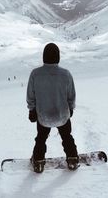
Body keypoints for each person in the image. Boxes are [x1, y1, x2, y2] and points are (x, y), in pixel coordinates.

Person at [26, 43, 79, 173]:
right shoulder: (66, 74)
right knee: (67, 137)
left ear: (44, 56)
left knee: (41, 138)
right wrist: (71, 108)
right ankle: (72, 159)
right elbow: (71, 95)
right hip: (62, 115)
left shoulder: (35, 74)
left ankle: (38, 162)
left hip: (43, 116)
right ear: (58, 57)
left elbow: (30, 95)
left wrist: (32, 110)